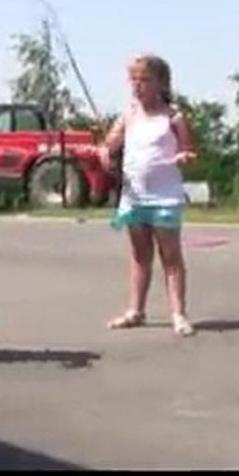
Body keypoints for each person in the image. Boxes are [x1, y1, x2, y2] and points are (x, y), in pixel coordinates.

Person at [97, 54, 196, 337]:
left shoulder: (173, 117)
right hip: (134, 196)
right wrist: (105, 152)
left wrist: (185, 157)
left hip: (164, 195)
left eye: (145, 80)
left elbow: (188, 150)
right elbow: (110, 144)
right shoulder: (128, 115)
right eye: (134, 80)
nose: (138, 86)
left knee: (171, 256)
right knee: (140, 255)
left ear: (161, 83)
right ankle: (135, 310)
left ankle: (178, 313)